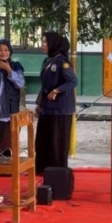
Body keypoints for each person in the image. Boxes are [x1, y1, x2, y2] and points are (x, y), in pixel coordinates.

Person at [35, 31, 78, 173]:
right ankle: (43, 169)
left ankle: (57, 172)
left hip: (61, 109)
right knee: (43, 140)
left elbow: (73, 81)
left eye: (45, 42)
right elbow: (44, 85)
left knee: (56, 143)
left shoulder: (62, 62)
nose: (43, 45)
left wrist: (57, 91)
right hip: (46, 108)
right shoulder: (47, 61)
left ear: (53, 44)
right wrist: (39, 103)